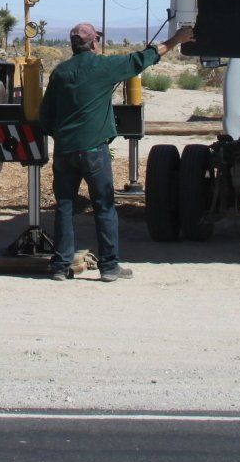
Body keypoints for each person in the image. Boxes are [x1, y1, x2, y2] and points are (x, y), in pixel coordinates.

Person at [40, 20, 196, 280]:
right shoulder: (105, 67)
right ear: (94, 43)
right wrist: (176, 40)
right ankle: (109, 266)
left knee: (64, 206)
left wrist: (62, 137)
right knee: (104, 206)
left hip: (65, 151)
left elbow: (46, 116)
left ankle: (60, 266)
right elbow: (143, 59)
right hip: (94, 150)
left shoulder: (60, 73)